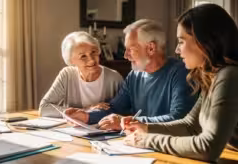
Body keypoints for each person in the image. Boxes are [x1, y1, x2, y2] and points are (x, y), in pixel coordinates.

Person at [122, 4, 238, 162]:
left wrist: (147, 140)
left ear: (203, 42)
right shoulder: (213, 76)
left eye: (181, 42)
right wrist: (145, 127)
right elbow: (190, 125)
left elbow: (207, 147)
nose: (177, 50)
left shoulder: (230, 76)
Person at [64, 19, 198, 130]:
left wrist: (127, 122)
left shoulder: (182, 73)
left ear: (151, 48)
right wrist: (86, 116)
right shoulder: (134, 75)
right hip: (138, 143)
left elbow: (178, 118)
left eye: (131, 50)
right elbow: (116, 108)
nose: (125, 56)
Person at [39, 31, 123, 117]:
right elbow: (44, 108)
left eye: (93, 52)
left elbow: (124, 110)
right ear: (71, 60)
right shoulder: (67, 75)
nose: (92, 60)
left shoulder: (114, 78)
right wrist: (85, 110)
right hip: (72, 128)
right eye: (83, 56)